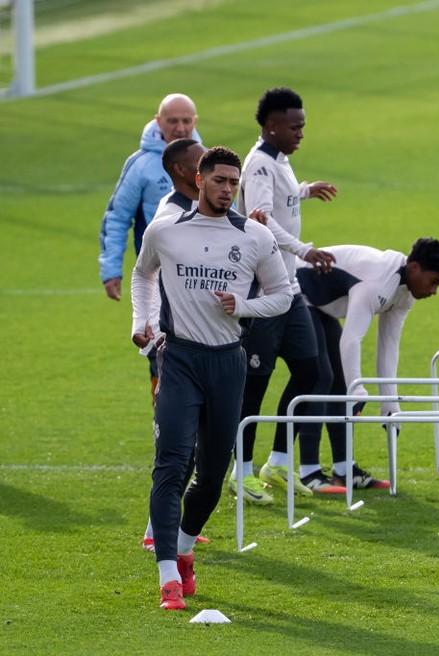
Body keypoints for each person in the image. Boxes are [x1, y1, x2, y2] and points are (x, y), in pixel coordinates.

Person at [131, 146, 292, 610]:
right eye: (219, 180)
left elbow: (281, 295)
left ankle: (183, 549)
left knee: (213, 475)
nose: (227, 189)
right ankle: (167, 579)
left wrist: (244, 307)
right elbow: (142, 276)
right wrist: (142, 323)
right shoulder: (165, 231)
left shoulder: (256, 237)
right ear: (198, 180)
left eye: (233, 183)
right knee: (171, 464)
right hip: (178, 360)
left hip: (227, 363)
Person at [230, 88, 339, 504]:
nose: (300, 133)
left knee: (310, 372)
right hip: (264, 291)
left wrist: (306, 190)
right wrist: (304, 250)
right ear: (270, 126)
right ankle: (239, 473)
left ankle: (276, 461)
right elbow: (262, 222)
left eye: (303, 126)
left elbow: (281, 201)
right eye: (294, 127)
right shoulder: (257, 164)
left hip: (289, 290)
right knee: (254, 385)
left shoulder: (280, 160)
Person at [294, 239, 439, 491]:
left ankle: (343, 469)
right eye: (434, 281)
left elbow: (388, 347)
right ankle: (309, 472)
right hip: (300, 293)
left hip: (324, 307)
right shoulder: (378, 281)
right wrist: (357, 390)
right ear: (414, 267)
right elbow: (351, 338)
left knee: (339, 381)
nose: (434, 291)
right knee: (322, 376)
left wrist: (389, 405)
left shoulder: (405, 294)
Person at [99, 93, 202, 402]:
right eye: (173, 121)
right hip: (158, 277)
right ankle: (166, 425)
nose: (180, 127)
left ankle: (198, 435)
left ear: (195, 122)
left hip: (202, 274)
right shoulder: (142, 164)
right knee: (159, 349)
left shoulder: (206, 160)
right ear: (159, 122)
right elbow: (117, 217)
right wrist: (110, 270)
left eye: (186, 121)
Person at [139, 137, 207, 552]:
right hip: (175, 342)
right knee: (177, 445)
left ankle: (162, 526)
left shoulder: (199, 211)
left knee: (190, 444)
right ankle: (156, 531)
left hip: (200, 339)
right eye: (202, 163)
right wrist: (146, 325)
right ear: (183, 171)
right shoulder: (170, 217)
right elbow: (146, 275)